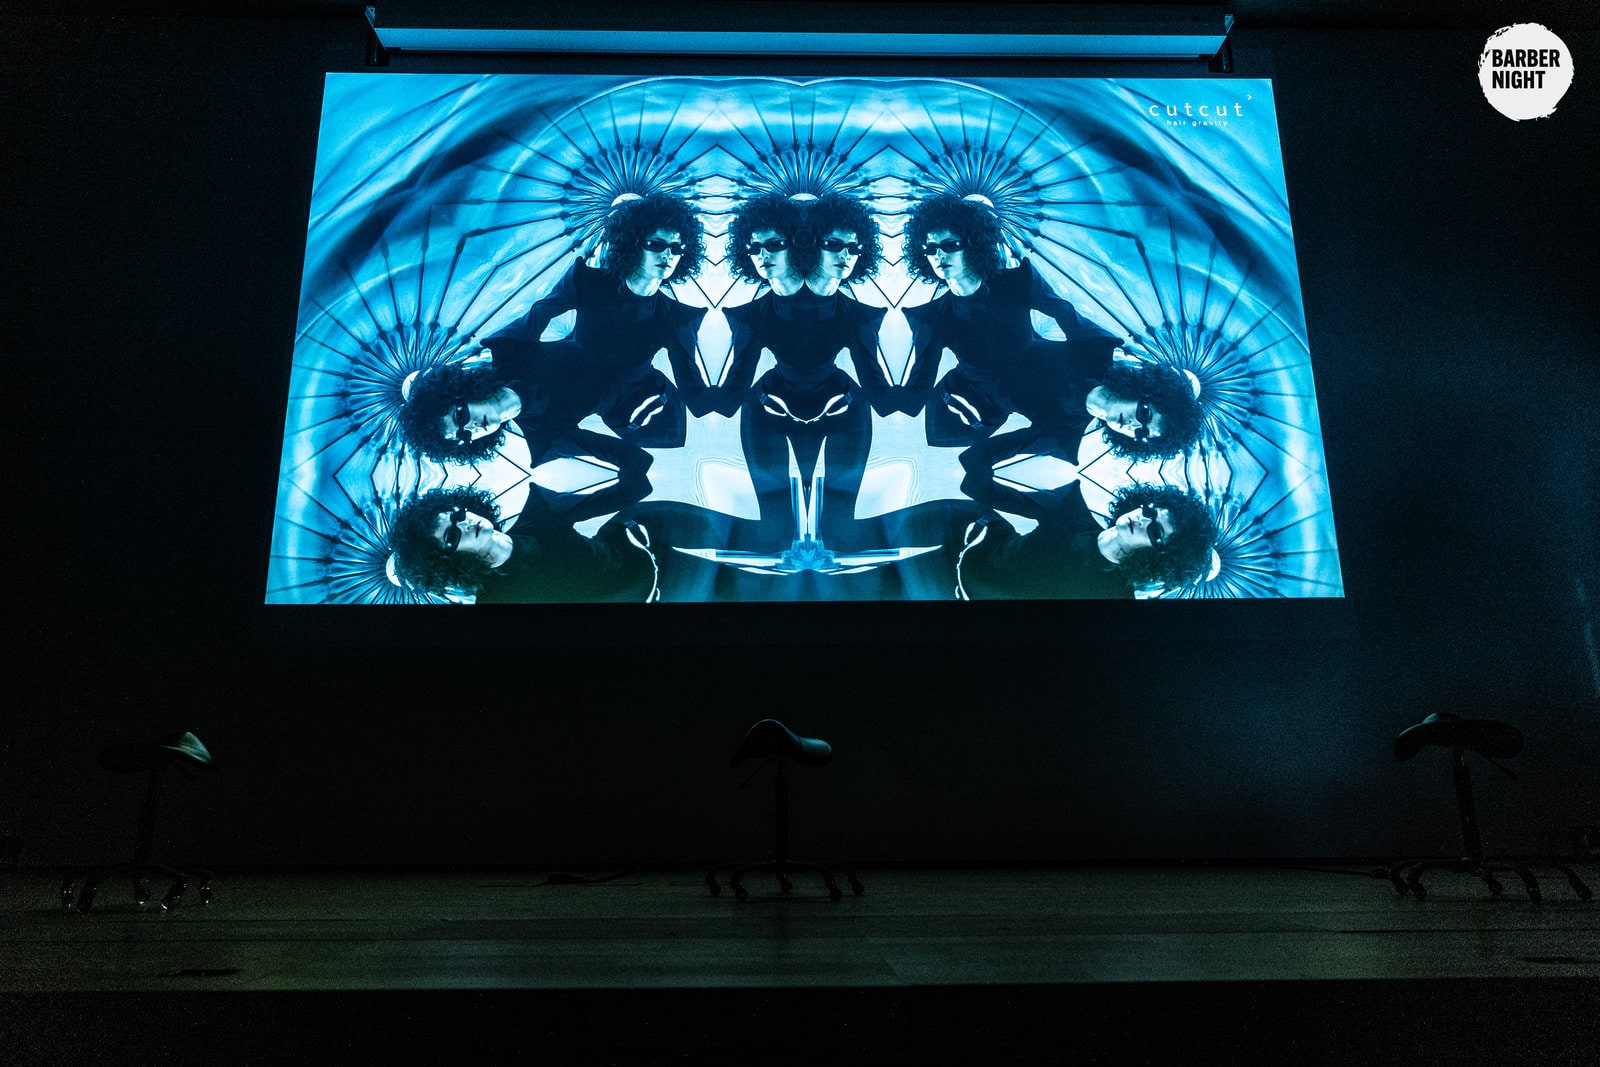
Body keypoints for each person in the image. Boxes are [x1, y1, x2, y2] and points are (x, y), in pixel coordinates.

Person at [397, 191, 710, 465]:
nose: (473, 428)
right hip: (637, 409)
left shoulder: (508, 357)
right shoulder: (543, 433)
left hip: (623, 361)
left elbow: (540, 313)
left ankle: (619, 229)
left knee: (601, 300)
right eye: (463, 437)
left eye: (460, 417)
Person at [715, 192, 892, 538]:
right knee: (776, 528)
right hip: (766, 409)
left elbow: (881, 399)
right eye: (755, 247)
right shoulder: (749, 317)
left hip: (844, 409)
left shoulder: (860, 317)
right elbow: (730, 398)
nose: (763, 255)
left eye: (852, 247)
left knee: (839, 527)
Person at [902, 194, 1138, 448]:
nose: (938, 255)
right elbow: (919, 386)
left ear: (974, 242)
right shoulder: (931, 317)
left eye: (950, 245)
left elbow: (1069, 318)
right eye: (930, 248)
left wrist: (1098, 363)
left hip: (1034, 380)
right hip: (975, 401)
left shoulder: (1019, 281)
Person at [388, 485, 660, 603]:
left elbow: (633, 489)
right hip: (640, 595)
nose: (465, 524)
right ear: (447, 562)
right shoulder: (496, 600)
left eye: (456, 515)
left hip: (638, 545)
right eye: (452, 536)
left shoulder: (539, 509)